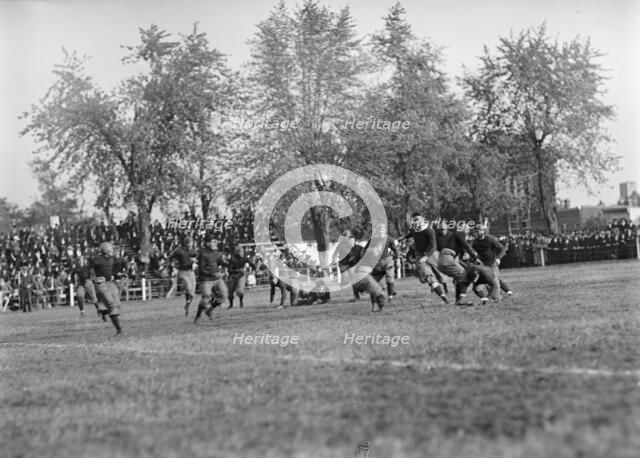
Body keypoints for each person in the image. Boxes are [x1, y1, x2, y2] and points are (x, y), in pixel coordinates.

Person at [398, 213, 448, 303]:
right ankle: (443, 297)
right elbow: (411, 234)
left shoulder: (429, 230)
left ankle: (443, 286)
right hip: (419, 255)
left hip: (431, 254)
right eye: (414, 219)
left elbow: (433, 247)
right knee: (427, 277)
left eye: (417, 219)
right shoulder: (413, 229)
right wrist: (403, 238)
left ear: (423, 219)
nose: (415, 221)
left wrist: (426, 256)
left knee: (439, 275)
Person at [435, 220, 479, 306]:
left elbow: (462, 251)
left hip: (443, 260)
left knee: (459, 278)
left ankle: (458, 300)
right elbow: (467, 246)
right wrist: (475, 257)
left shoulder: (455, 236)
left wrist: (468, 256)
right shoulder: (460, 233)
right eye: (466, 229)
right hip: (447, 258)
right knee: (465, 276)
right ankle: (460, 300)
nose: (467, 231)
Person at [89, 242, 124, 334]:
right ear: (106, 249)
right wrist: (93, 278)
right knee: (112, 305)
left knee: (118, 305)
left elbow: (113, 269)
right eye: (111, 248)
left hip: (110, 283)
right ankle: (119, 330)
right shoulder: (97, 259)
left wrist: (117, 275)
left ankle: (104, 312)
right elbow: (88, 269)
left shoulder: (112, 259)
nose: (112, 250)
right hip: (101, 284)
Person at [471, 224, 513, 297]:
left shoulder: (490, 239)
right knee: (485, 283)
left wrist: (498, 258)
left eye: (477, 231)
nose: (475, 234)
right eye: (475, 232)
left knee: (493, 280)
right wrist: (475, 258)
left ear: (482, 232)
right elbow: (472, 251)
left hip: (492, 264)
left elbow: (503, 249)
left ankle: (497, 295)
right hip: (483, 266)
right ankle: (502, 293)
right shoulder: (475, 242)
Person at [194, 234, 228, 323]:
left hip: (217, 279)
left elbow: (219, 262)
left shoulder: (216, 252)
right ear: (208, 243)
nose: (216, 243)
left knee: (224, 296)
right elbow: (201, 269)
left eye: (216, 241)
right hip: (206, 279)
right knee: (206, 298)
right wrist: (213, 274)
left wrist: (228, 264)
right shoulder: (203, 253)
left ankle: (209, 310)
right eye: (213, 241)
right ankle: (197, 317)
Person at [169, 236, 197, 316]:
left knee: (192, 293)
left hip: (191, 272)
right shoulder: (179, 250)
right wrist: (173, 266)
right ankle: (187, 301)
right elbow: (171, 257)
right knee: (188, 287)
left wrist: (195, 262)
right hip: (182, 272)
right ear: (186, 243)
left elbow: (198, 258)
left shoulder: (193, 251)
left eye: (191, 243)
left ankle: (187, 305)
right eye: (189, 243)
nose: (190, 245)